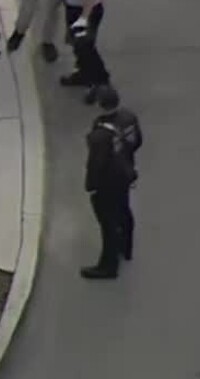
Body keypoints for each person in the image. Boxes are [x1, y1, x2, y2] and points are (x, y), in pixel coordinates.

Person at [81, 85, 142, 280]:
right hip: (125, 173)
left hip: (108, 183)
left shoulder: (100, 135)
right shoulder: (129, 117)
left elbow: (96, 164)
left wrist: (91, 185)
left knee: (108, 224)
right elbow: (137, 142)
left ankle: (108, 266)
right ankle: (126, 246)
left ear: (99, 104)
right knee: (124, 210)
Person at [60, 0, 110, 104]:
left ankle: (101, 83)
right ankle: (83, 74)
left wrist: (84, 17)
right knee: (79, 46)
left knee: (85, 48)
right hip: (74, 8)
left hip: (85, 11)